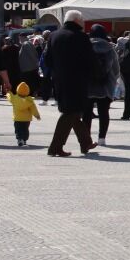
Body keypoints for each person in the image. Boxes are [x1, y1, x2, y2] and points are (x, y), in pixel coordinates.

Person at [47, 11, 97, 158]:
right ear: (76, 20)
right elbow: (90, 59)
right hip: (77, 81)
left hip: (59, 80)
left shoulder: (54, 35)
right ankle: (54, 148)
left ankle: (85, 142)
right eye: (82, 20)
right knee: (70, 113)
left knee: (72, 112)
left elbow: (48, 59)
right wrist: (98, 75)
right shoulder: (80, 37)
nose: (83, 23)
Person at [8, 80, 41, 147]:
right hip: (26, 119)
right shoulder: (29, 101)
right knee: (25, 129)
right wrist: (37, 115)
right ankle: (25, 139)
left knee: (18, 130)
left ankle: (19, 139)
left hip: (17, 118)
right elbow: (34, 109)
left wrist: (8, 92)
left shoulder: (14, 98)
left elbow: (10, 97)